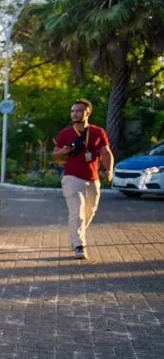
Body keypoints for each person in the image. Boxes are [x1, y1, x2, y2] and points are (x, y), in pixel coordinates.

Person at [52, 99, 113, 260]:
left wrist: (109, 170)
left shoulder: (98, 132)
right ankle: (79, 245)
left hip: (92, 178)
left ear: (87, 113)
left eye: (78, 111)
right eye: (73, 111)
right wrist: (64, 151)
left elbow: (106, 152)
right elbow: (55, 156)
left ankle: (75, 235)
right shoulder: (65, 134)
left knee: (90, 212)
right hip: (71, 178)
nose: (75, 114)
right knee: (77, 212)